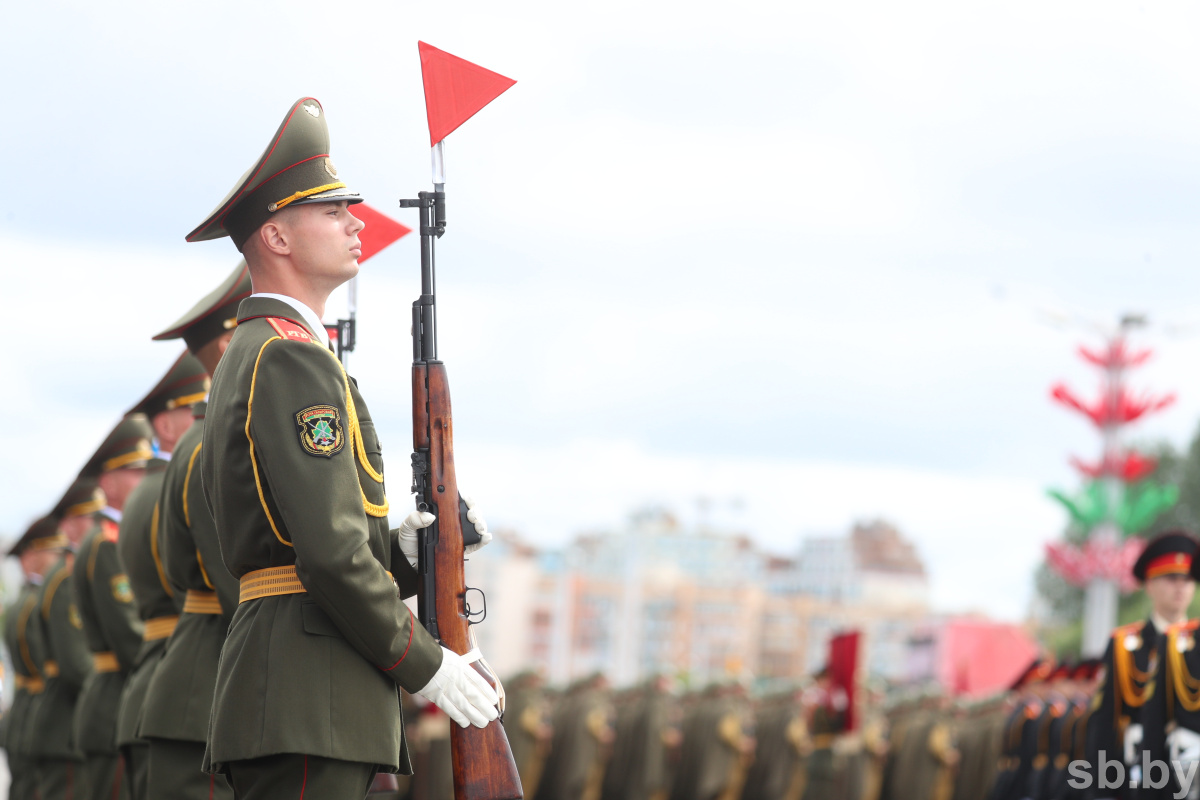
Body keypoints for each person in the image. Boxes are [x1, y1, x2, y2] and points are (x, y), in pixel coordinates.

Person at [187, 97, 499, 798]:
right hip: (309, 691)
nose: (356, 223)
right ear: (277, 237)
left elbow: (298, 540)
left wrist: (405, 554)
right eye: (332, 211)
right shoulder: (290, 359)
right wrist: (430, 665)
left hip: (302, 688)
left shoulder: (268, 350)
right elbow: (325, 555)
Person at [137, 260, 250, 800]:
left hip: (199, 689)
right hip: (203, 695)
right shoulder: (210, 443)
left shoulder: (207, 437)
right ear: (230, 347)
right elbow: (236, 585)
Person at [115, 351, 210, 800]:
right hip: (190, 682)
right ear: (165, 426)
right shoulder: (178, 478)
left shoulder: (141, 495)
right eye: (193, 407)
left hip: (156, 681)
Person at [73, 415, 155, 800]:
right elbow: (128, 637)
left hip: (113, 700)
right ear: (107, 483)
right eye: (133, 471)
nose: (144, 477)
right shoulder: (106, 544)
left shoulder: (113, 538)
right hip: (114, 704)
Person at [1086, 531, 1198, 800]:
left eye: (1188, 579)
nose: (1180, 587)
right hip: (1133, 776)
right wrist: (1103, 790)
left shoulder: (1195, 644)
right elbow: (1104, 723)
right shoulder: (1125, 645)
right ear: (1149, 585)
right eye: (1171, 579)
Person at [28, 479, 106, 799]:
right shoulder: (64, 578)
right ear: (71, 525)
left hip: (60, 720)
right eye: (91, 517)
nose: (99, 524)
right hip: (65, 721)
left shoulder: (65, 572)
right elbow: (75, 662)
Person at [4, 516, 68, 800]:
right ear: (31, 557)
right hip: (47, 711)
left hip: (28, 712)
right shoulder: (36, 601)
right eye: (55, 552)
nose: (61, 560)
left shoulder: (24, 601)